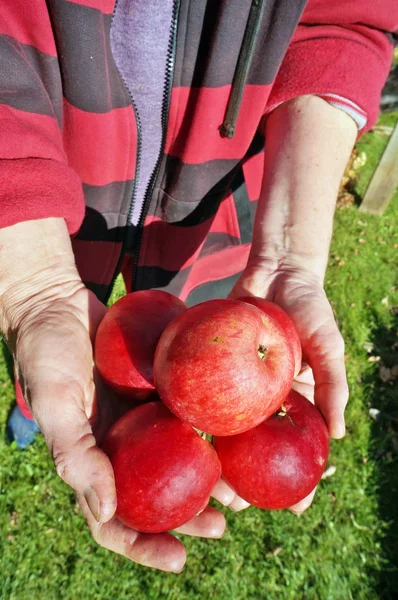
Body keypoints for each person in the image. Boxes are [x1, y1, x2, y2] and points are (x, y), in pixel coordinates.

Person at [0, 0, 396, 573]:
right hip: (55, 190)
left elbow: (343, 19)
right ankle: (27, 410)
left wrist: (289, 248)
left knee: (163, 329)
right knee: (69, 347)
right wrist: (32, 290)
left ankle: (35, 403)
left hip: (217, 225)